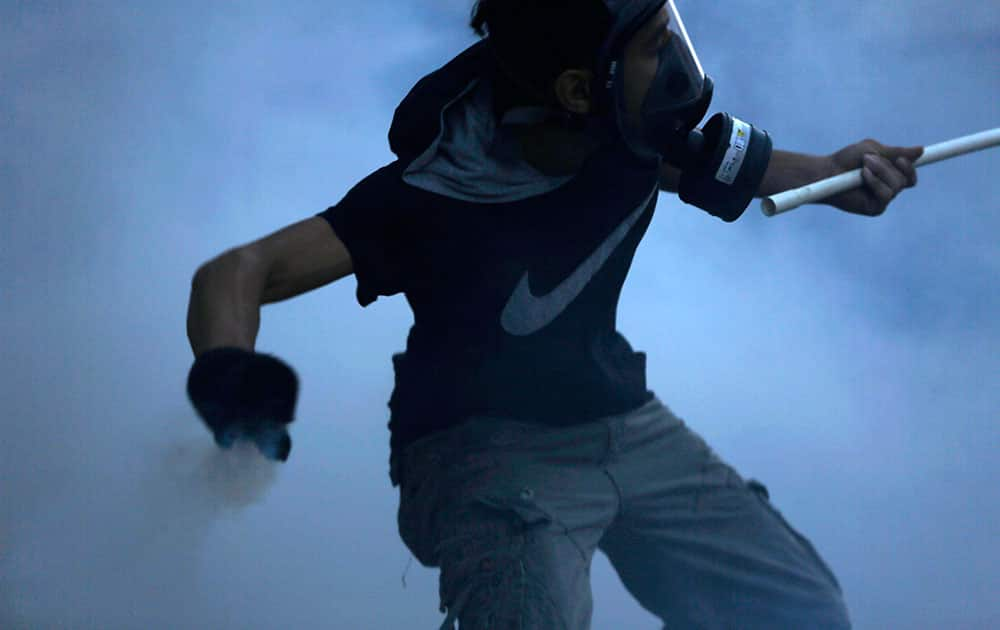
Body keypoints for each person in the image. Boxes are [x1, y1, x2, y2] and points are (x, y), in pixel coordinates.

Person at [186, 1, 923, 627]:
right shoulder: (432, 192)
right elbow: (237, 272)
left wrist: (840, 176)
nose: (673, 55)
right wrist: (233, 388)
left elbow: (767, 170)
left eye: (670, 28)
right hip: (480, 453)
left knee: (797, 610)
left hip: (621, 417)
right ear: (578, 88)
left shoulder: (638, 130)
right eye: (651, 44)